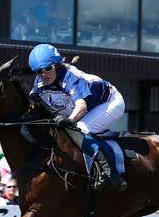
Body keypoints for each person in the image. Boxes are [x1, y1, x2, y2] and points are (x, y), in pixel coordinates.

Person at [28, 43, 127, 191]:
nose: (44, 74)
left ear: (56, 65)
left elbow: (81, 107)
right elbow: (30, 102)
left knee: (79, 129)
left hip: (110, 102)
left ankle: (111, 174)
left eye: (48, 68)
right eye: (38, 71)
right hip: (86, 107)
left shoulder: (70, 77)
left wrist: (68, 121)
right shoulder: (41, 81)